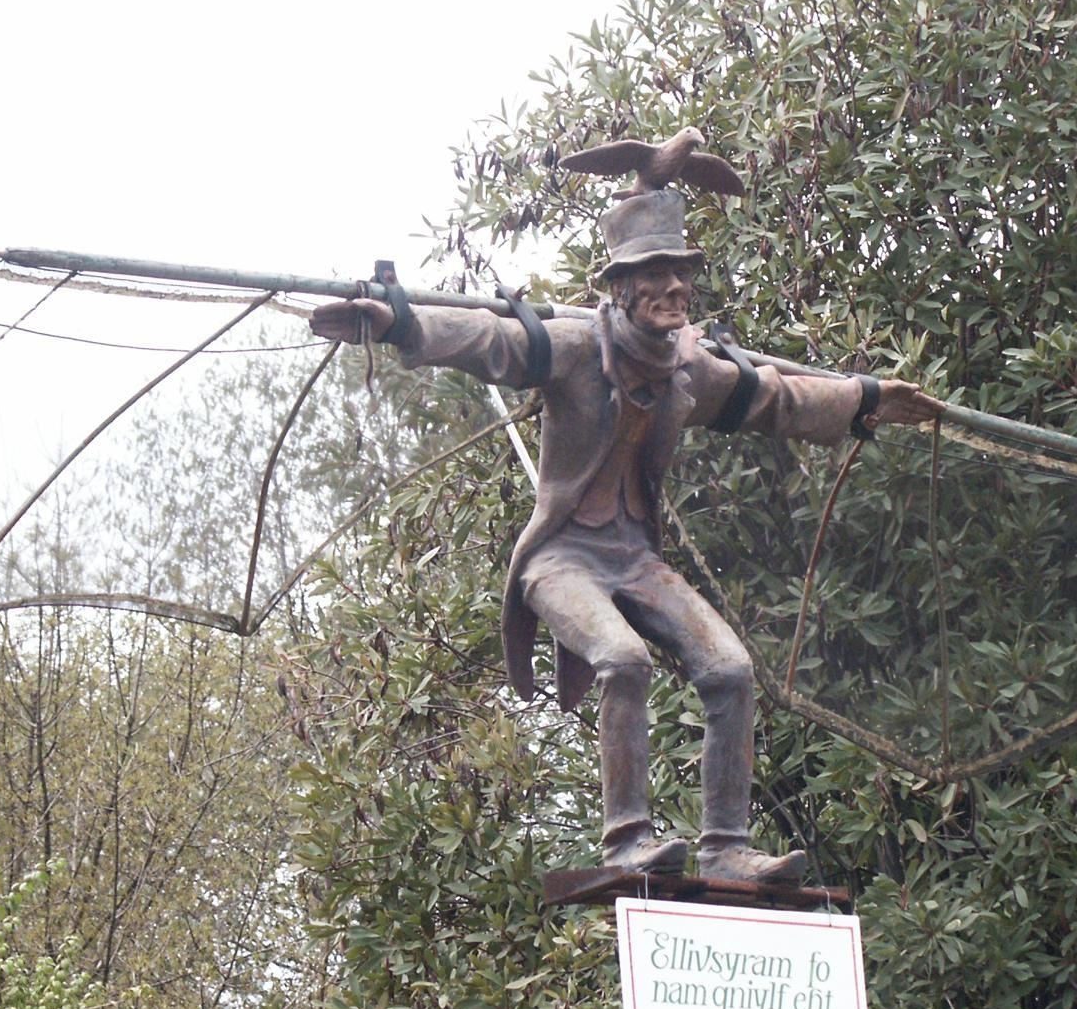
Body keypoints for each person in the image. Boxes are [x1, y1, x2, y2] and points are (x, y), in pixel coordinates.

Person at [310, 189, 940, 884]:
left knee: (730, 671)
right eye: (655, 274)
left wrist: (866, 399)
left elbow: (773, 397)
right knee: (623, 657)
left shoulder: (687, 369)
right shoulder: (576, 347)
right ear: (621, 287)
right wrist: (398, 320)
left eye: (682, 274)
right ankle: (627, 840)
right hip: (562, 560)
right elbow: (492, 341)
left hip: (634, 559)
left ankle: (727, 847)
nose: (674, 288)